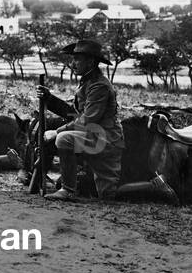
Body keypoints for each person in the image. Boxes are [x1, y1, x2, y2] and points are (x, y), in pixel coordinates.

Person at [36, 39, 128, 202]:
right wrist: (49, 99)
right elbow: (75, 114)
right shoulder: (88, 82)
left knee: (110, 195)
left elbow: (87, 120)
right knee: (104, 194)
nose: (73, 63)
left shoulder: (99, 86)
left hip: (105, 140)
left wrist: (56, 132)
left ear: (91, 62)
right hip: (94, 137)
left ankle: (68, 190)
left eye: (78, 59)